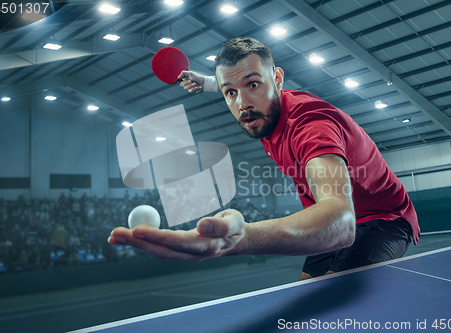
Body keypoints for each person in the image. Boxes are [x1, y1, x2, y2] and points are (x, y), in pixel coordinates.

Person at [109, 37, 419, 279]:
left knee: (340, 304)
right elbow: (239, 85)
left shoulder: (312, 127)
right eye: (230, 92)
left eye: (253, 85)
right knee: (309, 293)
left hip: (382, 219)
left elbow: (341, 219)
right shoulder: (260, 110)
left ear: (278, 79)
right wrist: (209, 83)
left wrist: (239, 239)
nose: (242, 103)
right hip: (325, 222)